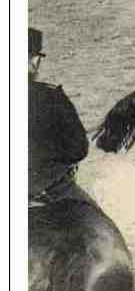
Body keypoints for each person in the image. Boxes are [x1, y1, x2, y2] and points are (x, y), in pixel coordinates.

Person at [28, 28, 95, 207]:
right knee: (102, 225)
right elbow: (78, 150)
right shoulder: (52, 96)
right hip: (50, 189)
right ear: (34, 62)